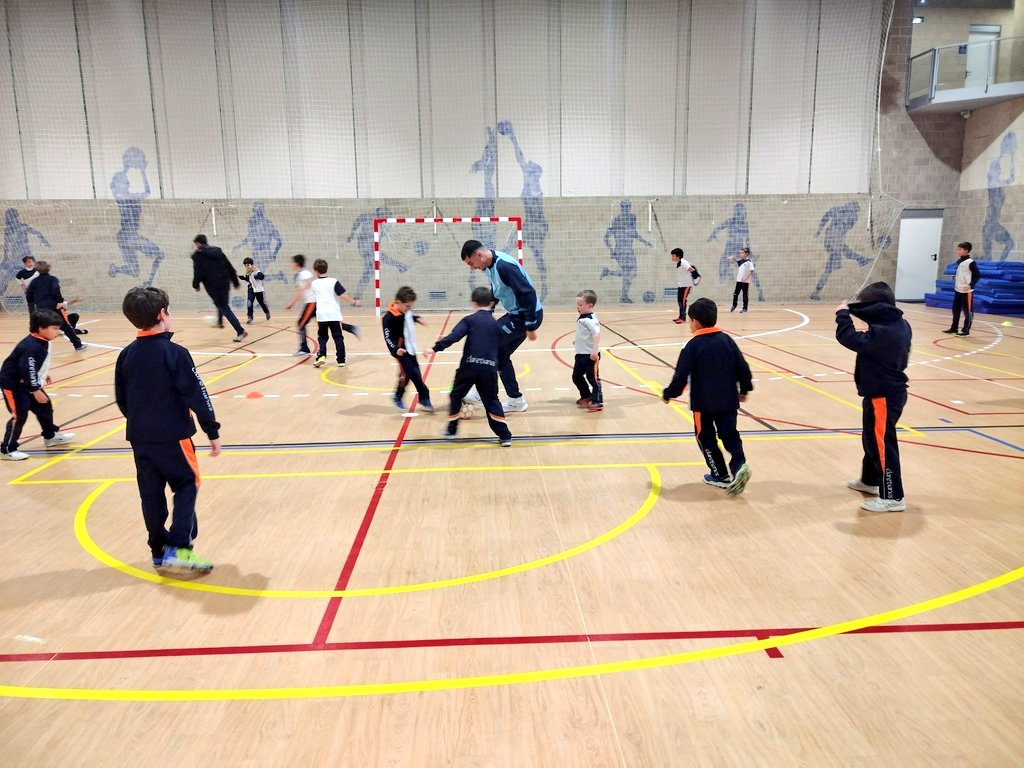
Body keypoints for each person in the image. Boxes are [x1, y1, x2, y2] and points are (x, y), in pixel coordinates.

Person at [114, 286, 220, 572]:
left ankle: (158, 550)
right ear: (163, 314)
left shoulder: (125, 355)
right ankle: (180, 548)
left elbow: (122, 399)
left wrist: (142, 421)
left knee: (151, 493)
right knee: (187, 484)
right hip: (173, 436)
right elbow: (197, 394)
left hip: (139, 437)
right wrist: (212, 431)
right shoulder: (176, 353)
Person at [662, 297, 753, 495]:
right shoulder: (727, 340)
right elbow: (743, 367)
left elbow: (680, 376)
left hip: (703, 405)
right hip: (729, 401)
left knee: (705, 437)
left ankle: (720, 474)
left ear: (694, 322)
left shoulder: (692, 346)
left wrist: (669, 393)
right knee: (730, 435)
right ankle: (739, 466)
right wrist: (744, 389)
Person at [835, 282, 911, 513]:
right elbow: (873, 317)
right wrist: (853, 307)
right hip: (882, 394)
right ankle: (870, 481)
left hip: (884, 396)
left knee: (881, 444)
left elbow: (848, 337)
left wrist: (842, 315)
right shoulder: (898, 324)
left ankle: (893, 496)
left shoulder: (884, 333)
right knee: (871, 439)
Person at [460, 239, 543, 412]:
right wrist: (487, 311)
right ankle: (516, 400)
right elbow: (497, 290)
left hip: (525, 315)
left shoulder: (505, 266)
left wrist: (530, 325)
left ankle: (480, 392)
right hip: (517, 314)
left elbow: (527, 293)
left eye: (470, 262)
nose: (471, 267)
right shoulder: (490, 266)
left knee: (487, 345)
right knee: (500, 354)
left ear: (479, 255)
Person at [432, 287, 512, 446]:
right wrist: (500, 366)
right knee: (491, 400)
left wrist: (436, 347)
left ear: (473, 304)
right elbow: (502, 349)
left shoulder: (469, 320)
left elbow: (454, 336)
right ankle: (505, 436)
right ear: (491, 303)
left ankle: (452, 430)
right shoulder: (497, 325)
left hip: (468, 367)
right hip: (489, 369)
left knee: (456, 395)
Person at [1, 309, 77, 460]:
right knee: (19, 416)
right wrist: (35, 390)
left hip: (28, 382)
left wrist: (42, 372)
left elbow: (32, 366)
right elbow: (27, 368)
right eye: (54, 328)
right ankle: (7, 449)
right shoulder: (31, 346)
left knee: (45, 408)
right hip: (14, 385)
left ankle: (50, 436)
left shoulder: (42, 341)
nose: (58, 331)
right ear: (41, 328)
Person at [382, 286, 433, 413]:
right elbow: (388, 337)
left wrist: (417, 319)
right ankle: (423, 398)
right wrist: (395, 349)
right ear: (398, 303)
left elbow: (409, 316)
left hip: (410, 349)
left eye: (411, 306)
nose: (409, 309)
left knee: (409, 375)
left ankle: (398, 396)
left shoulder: (405, 311)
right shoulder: (388, 318)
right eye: (408, 306)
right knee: (413, 374)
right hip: (401, 351)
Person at [191, 234, 247, 342]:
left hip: (212, 285)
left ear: (198, 243)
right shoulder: (218, 251)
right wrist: (235, 282)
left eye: (195, 244)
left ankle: (241, 331)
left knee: (224, 307)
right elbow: (229, 266)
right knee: (221, 303)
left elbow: (198, 272)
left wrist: (196, 285)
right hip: (225, 282)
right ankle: (220, 322)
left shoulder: (198, 255)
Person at [310, 258, 362, 368]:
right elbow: (342, 295)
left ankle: (321, 356)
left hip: (321, 315)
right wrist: (353, 302)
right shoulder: (333, 281)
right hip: (333, 314)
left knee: (322, 337)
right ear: (326, 268)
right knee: (338, 337)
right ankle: (341, 360)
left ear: (316, 271)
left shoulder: (314, 284)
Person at [24, 261, 87, 351]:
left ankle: (34, 348)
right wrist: (59, 301)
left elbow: (29, 296)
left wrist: (32, 310)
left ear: (37, 270)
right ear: (49, 268)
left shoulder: (34, 282)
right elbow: (55, 291)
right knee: (66, 326)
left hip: (40, 308)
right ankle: (78, 345)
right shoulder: (53, 279)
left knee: (40, 328)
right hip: (54, 307)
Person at [573, 289, 603, 412]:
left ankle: (597, 401)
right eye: (577, 305)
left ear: (589, 305)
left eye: (580, 305)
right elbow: (584, 333)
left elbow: (596, 334)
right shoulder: (583, 318)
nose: (577, 307)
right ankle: (586, 395)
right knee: (576, 376)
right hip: (580, 354)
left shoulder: (591, 320)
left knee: (593, 379)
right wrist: (578, 341)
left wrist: (594, 350)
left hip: (590, 356)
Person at [944, 241, 980, 337]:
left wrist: (971, 284)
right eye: (958, 249)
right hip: (958, 290)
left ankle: (966, 330)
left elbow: (977, 275)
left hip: (966, 291)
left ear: (966, 251)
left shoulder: (971, 262)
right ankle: (954, 328)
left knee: (967, 311)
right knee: (955, 309)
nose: (958, 251)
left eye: (960, 249)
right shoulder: (960, 262)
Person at [284, 254, 318, 356]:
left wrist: (291, 303)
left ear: (297, 263)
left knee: (301, 324)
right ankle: (351, 328)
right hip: (311, 302)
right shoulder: (301, 274)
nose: (291, 265)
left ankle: (304, 348)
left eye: (292, 262)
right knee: (328, 323)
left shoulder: (304, 274)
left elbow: (304, 287)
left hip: (312, 303)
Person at [240, 257, 271, 324]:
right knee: (249, 303)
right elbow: (249, 280)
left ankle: (266, 311)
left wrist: (258, 271)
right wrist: (243, 278)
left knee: (262, 303)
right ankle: (250, 317)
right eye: (245, 265)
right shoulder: (248, 272)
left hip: (259, 290)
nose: (246, 267)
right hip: (251, 289)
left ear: (251, 264)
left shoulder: (256, 272)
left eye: (248, 265)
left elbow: (262, 277)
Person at [671, 248, 696, 324]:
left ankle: (683, 318)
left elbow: (692, 269)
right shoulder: (680, 262)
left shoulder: (683, 262)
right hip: (682, 284)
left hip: (686, 285)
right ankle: (680, 316)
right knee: (679, 301)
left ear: (677, 256)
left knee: (682, 301)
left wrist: (695, 278)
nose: (672, 257)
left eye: (673, 255)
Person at [729, 247, 755, 313]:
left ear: (747, 253)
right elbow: (738, 262)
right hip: (739, 281)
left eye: (742, 253)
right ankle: (734, 305)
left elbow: (751, 271)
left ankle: (745, 308)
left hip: (745, 282)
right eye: (740, 253)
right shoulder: (741, 261)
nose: (741, 254)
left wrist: (745, 278)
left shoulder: (749, 262)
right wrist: (733, 258)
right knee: (735, 294)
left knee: (745, 295)